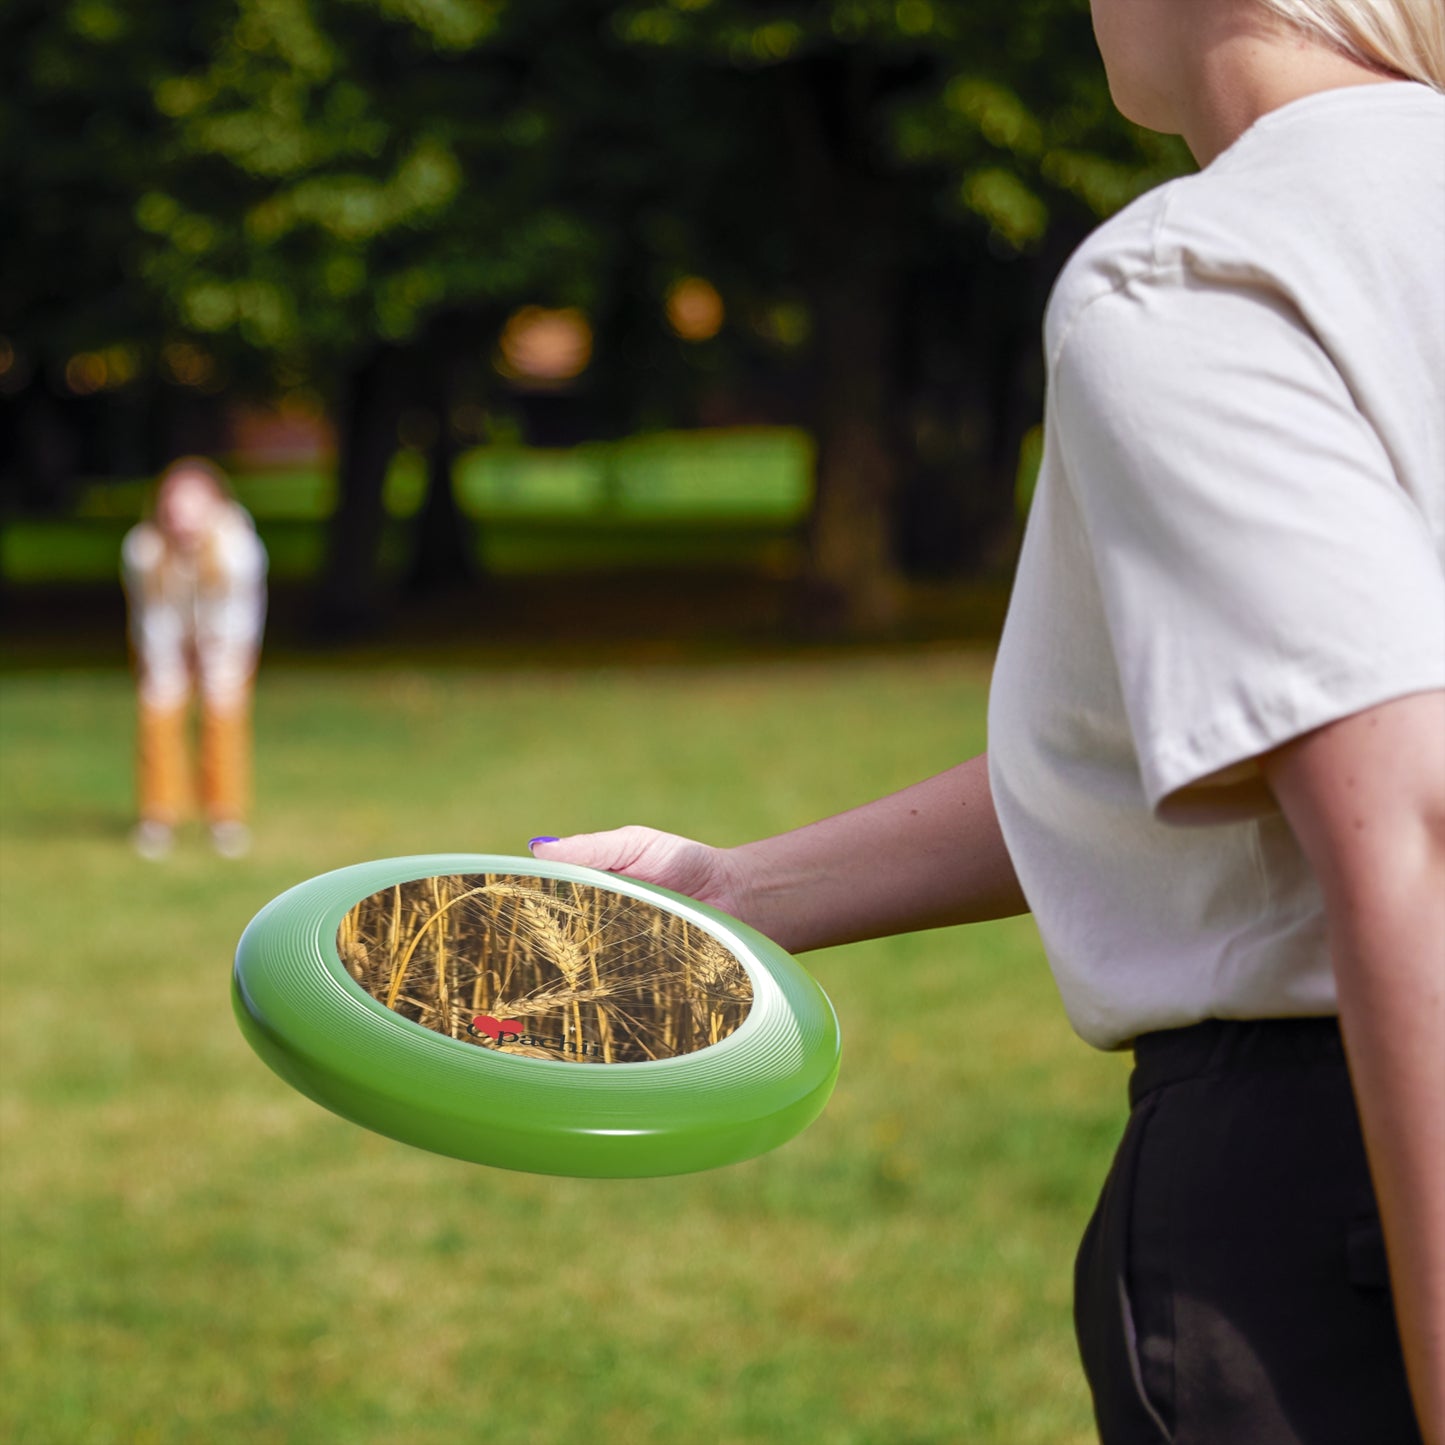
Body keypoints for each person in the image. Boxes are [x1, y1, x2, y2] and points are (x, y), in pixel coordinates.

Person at [528, 2, 1445, 1440]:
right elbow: (1222, 740)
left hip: (1342, 1193)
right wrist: (737, 889)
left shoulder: (1203, 270)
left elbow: (1408, 821)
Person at [121, 457, 268, 860]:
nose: (182, 517)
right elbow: (152, 615)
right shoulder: (143, 549)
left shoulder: (239, 548)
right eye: (175, 506)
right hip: (165, 640)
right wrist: (168, 664)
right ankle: (158, 816)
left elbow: (239, 615)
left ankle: (225, 817)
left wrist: (215, 659)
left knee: (223, 717)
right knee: (158, 713)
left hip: (226, 642)